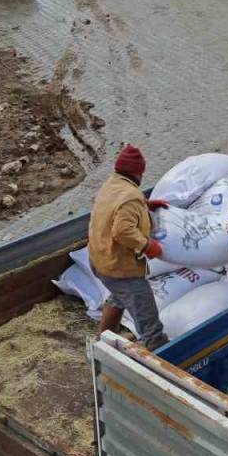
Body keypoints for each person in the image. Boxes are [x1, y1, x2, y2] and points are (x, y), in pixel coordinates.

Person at [89, 144, 171, 349]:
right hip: (119, 267)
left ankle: (103, 342)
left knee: (119, 297)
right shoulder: (131, 197)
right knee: (149, 323)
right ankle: (159, 355)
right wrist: (147, 245)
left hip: (100, 259)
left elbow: (117, 206)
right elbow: (122, 231)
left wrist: (145, 205)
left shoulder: (111, 184)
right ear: (137, 172)